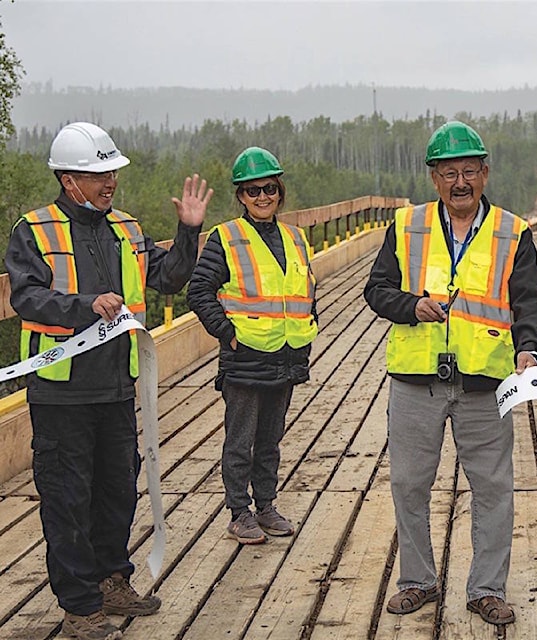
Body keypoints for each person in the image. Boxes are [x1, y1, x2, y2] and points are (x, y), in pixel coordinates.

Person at [4, 122, 210, 640]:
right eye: (98, 175)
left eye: (111, 172)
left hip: (118, 388)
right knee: (68, 500)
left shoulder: (127, 228)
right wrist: (83, 308)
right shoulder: (35, 229)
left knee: (118, 491)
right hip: (62, 393)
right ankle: (79, 605)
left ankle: (113, 581)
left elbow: (168, 279)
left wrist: (188, 232)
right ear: (69, 179)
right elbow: (26, 297)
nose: (109, 182)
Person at [363, 121, 537, 626]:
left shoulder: (514, 231)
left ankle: (486, 589)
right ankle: (418, 581)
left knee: (492, 488)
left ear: (485, 173)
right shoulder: (405, 226)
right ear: (434, 178)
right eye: (449, 173)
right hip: (415, 378)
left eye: (469, 171)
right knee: (409, 484)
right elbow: (376, 290)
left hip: (485, 382)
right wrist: (411, 305)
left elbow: (528, 304)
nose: (460, 182)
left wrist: (527, 349)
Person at [187, 147, 318, 545]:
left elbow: (306, 291)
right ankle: (238, 511)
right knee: (239, 440)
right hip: (245, 357)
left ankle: (265, 505)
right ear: (241, 196)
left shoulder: (296, 237)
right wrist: (226, 333)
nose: (263, 197)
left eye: (269, 189)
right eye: (253, 191)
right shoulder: (226, 238)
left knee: (270, 440)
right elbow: (199, 291)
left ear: (279, 191)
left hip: (287, 355)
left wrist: (308, 324)